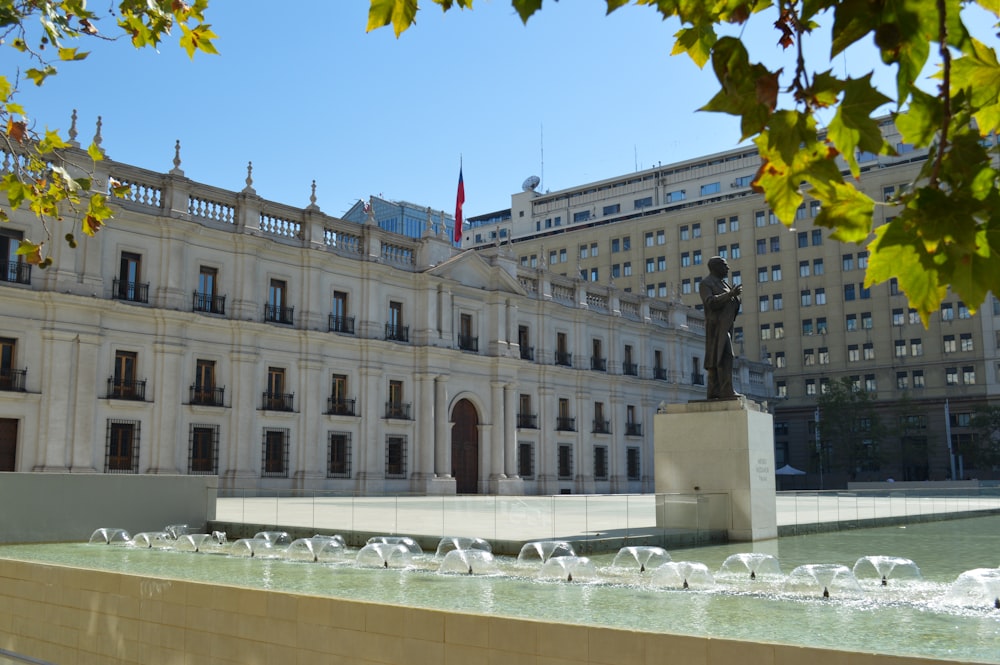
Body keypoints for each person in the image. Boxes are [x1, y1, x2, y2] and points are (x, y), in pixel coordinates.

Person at [699, 256, 742, 399]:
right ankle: (724, 390)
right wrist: (730, 294)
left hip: (726, 325)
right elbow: (710, 302)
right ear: (715, 267)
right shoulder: (706, 283)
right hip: (716, 328)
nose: (728, 268)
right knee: (722, 356)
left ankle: (716, 390)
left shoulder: (725, 284)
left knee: (723, 357)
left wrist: (733, 296)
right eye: (724, 265)